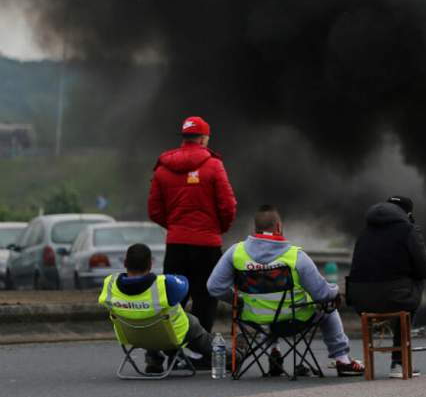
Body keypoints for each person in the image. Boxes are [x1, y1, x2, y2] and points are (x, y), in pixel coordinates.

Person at [206, 205, 365, 377]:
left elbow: (214, 286)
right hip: (294, 319)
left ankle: (275, 354)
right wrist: (335, 291)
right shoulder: (295, 256)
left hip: (255, 319)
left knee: (268, 312)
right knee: (328, 308)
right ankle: (343, 360)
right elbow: (322, 294)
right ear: (279, 227)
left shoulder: (235, 252)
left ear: (255, 228)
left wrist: (238, 301)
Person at [148, 116, 237, 333]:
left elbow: (154, 210)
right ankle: (200, 349)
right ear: (204, 138)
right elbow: (228, 206)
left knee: (173, 299)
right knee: (205, 297)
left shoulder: (163, 167)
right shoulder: (214, 165)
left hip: (176, 244)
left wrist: (175, 226)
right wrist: (217, 229)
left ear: (184, 137)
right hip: (207, 245)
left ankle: (170, 349)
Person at [347, 196, 426, 378]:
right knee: (425, 278)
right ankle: (399, 362)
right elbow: (425, 269)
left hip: (359, 301)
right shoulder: (409, 230)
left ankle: (389, 356)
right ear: (408, 214)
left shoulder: (364, 232)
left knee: (398, 288)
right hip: (395, 299)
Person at [99, 243, 214, 374]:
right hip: (169, 337)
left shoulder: (109, 283)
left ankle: (153, 359)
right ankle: (224, 356)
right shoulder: (165, 284)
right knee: (191, 322)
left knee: (146, 319)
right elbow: (184, 284)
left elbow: (104, 301)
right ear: (150, 264)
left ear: (125, 263)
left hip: (132, 337)